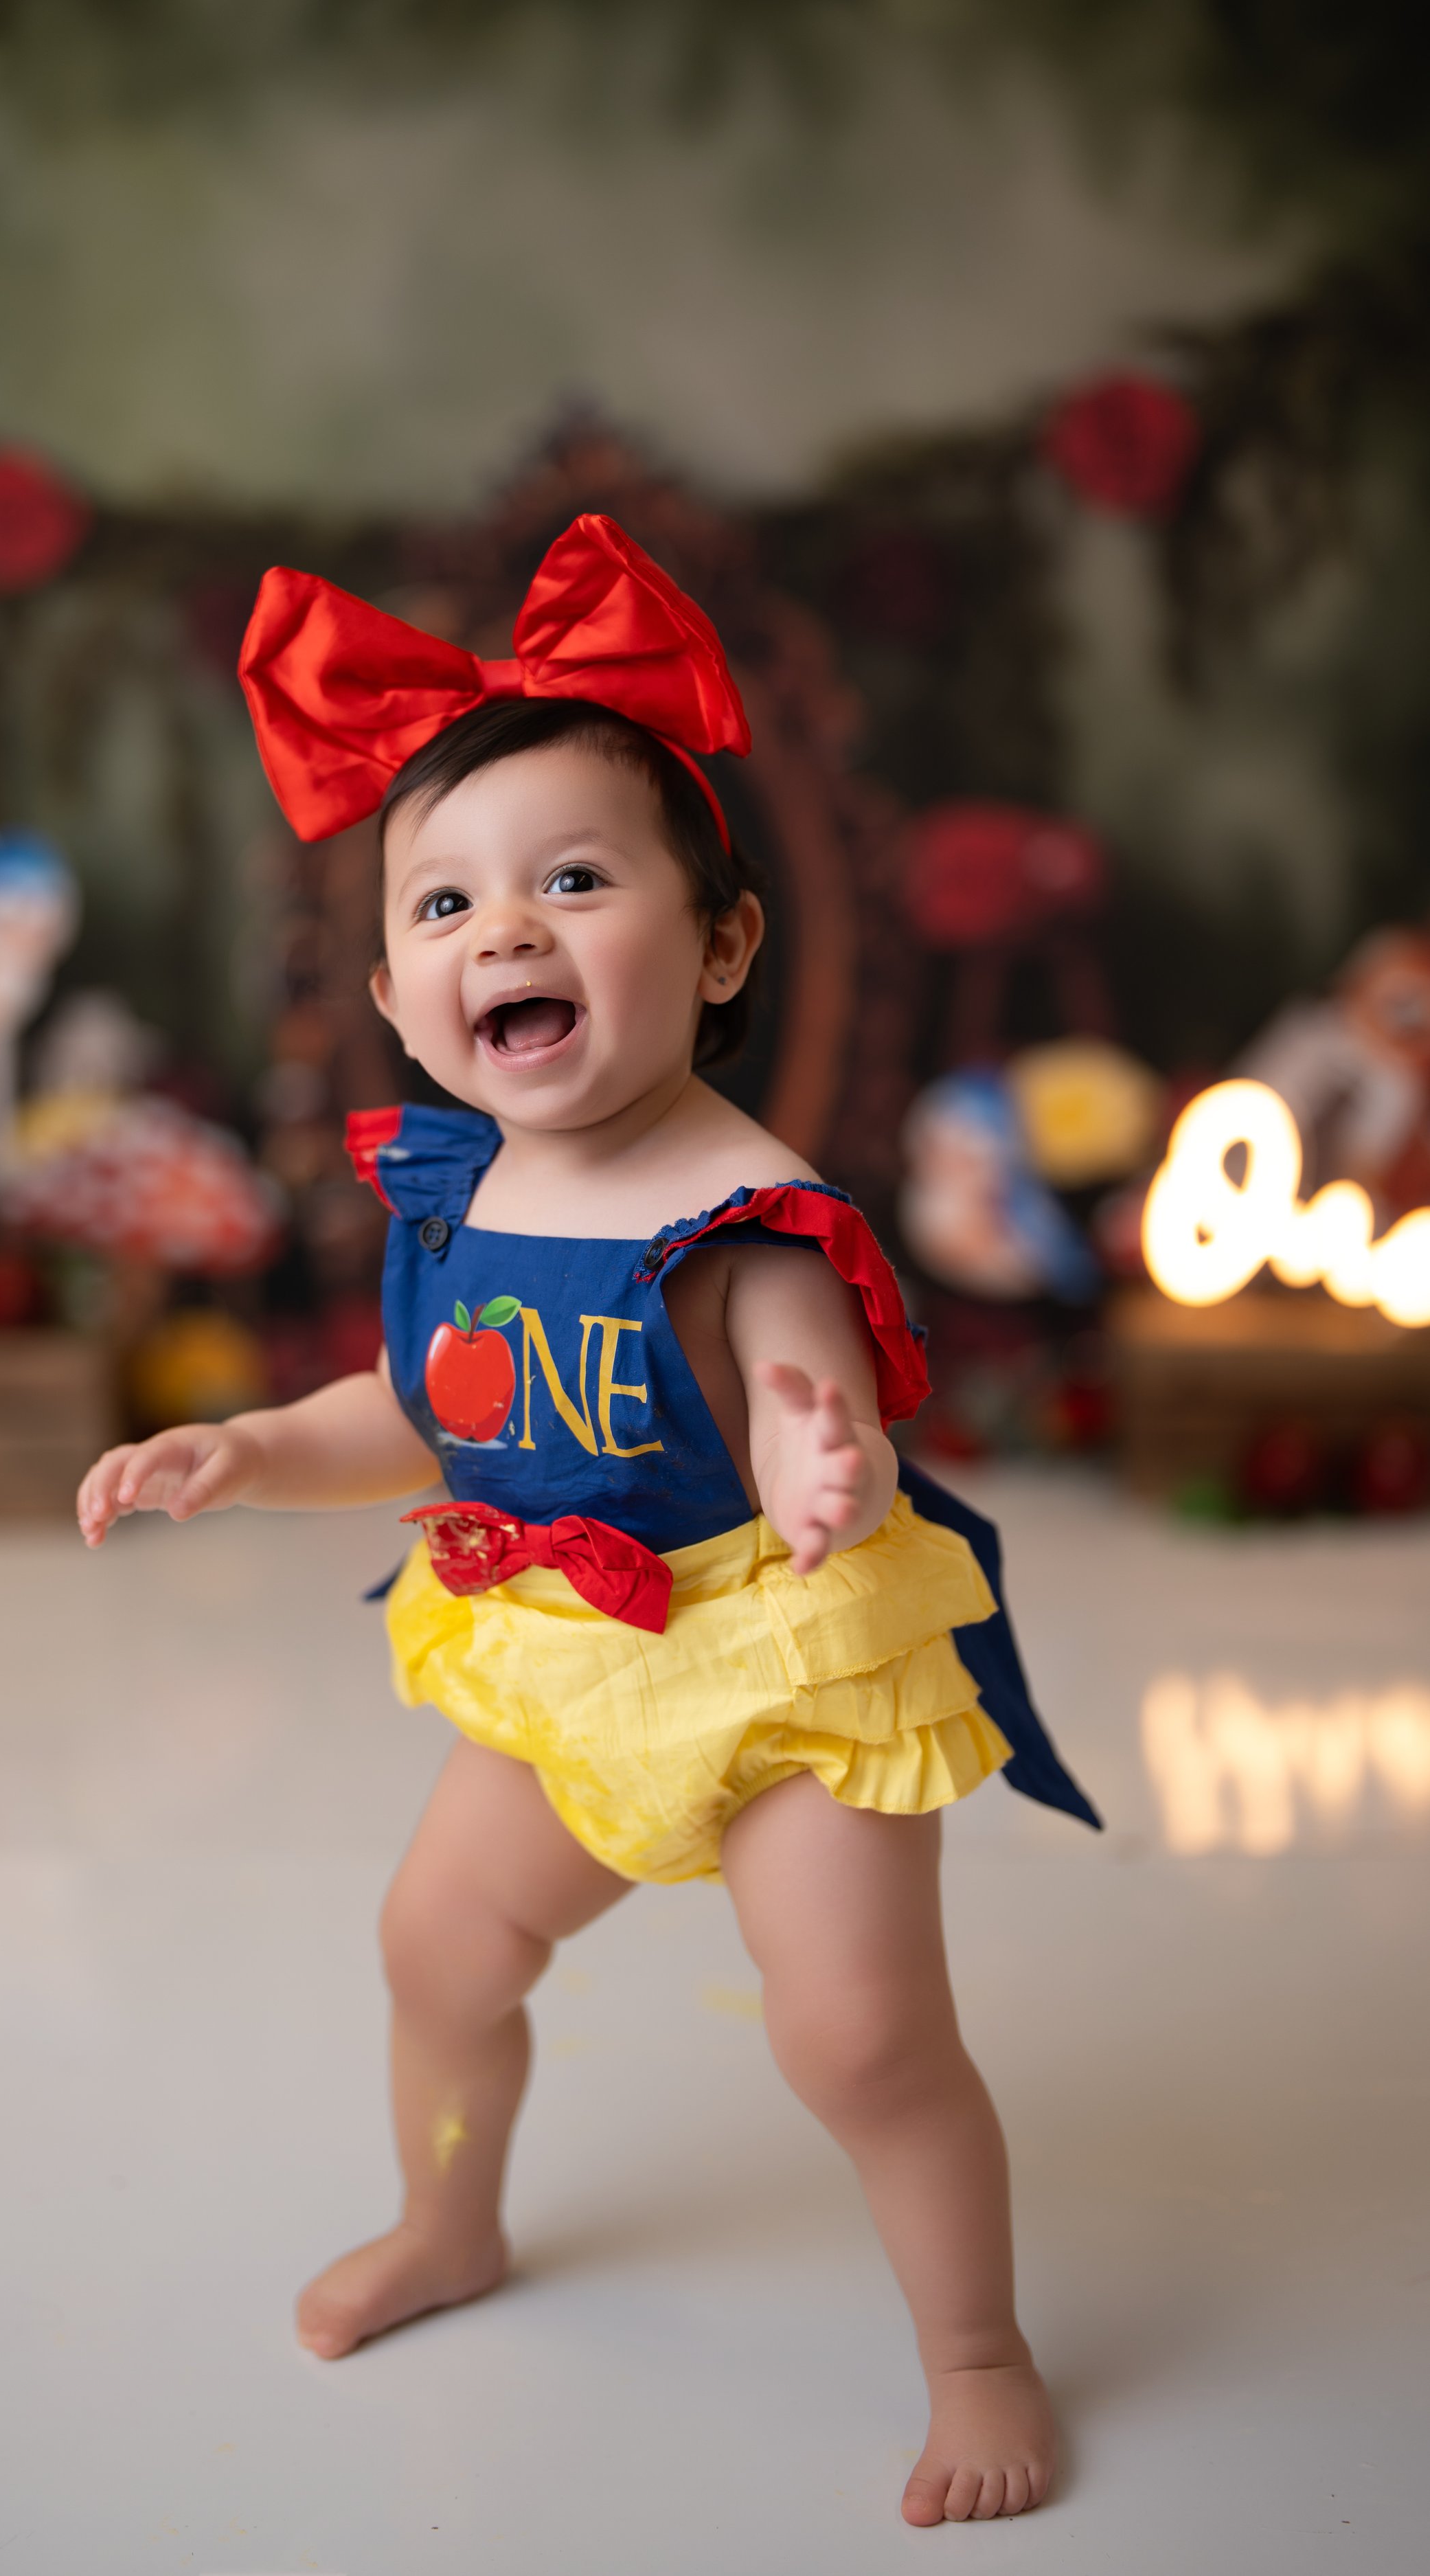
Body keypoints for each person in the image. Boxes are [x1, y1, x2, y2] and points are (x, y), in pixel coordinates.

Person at [76, 517, 1098, 2527]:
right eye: (445, 901)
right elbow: (437, 1414)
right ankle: (446, 2223)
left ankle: (977, 2350)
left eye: (572, 880)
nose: (503, 932)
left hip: (778, 1651)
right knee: (437, 1947)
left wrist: (829, 1465)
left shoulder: (738, 1207)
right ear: (390, 989)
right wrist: (263, 1445)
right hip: (572, 1646)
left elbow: (820, 1394)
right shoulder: (454, 1194)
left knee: (858, 2039)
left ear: (718, 946)